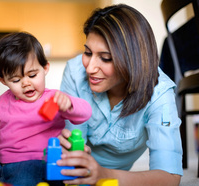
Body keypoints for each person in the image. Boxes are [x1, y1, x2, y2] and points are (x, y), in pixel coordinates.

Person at [57, 4, 183, 186]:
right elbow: (76, 150)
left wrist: (103, 175)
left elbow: (170, 177)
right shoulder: (75, 72)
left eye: (105, 58)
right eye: (87, 52)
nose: (90, 68)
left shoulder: (159, 93)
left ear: (133, 60)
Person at [0, 32, 92, 186]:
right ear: (3, 81)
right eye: (16, 80)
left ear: (45, 68)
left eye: (32, 75)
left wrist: (69, 105)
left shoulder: (54, 98)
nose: (26, 83)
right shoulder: (2, 101)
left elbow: (86, 112)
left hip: (34, 163)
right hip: (0, 162)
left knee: (22, 179)